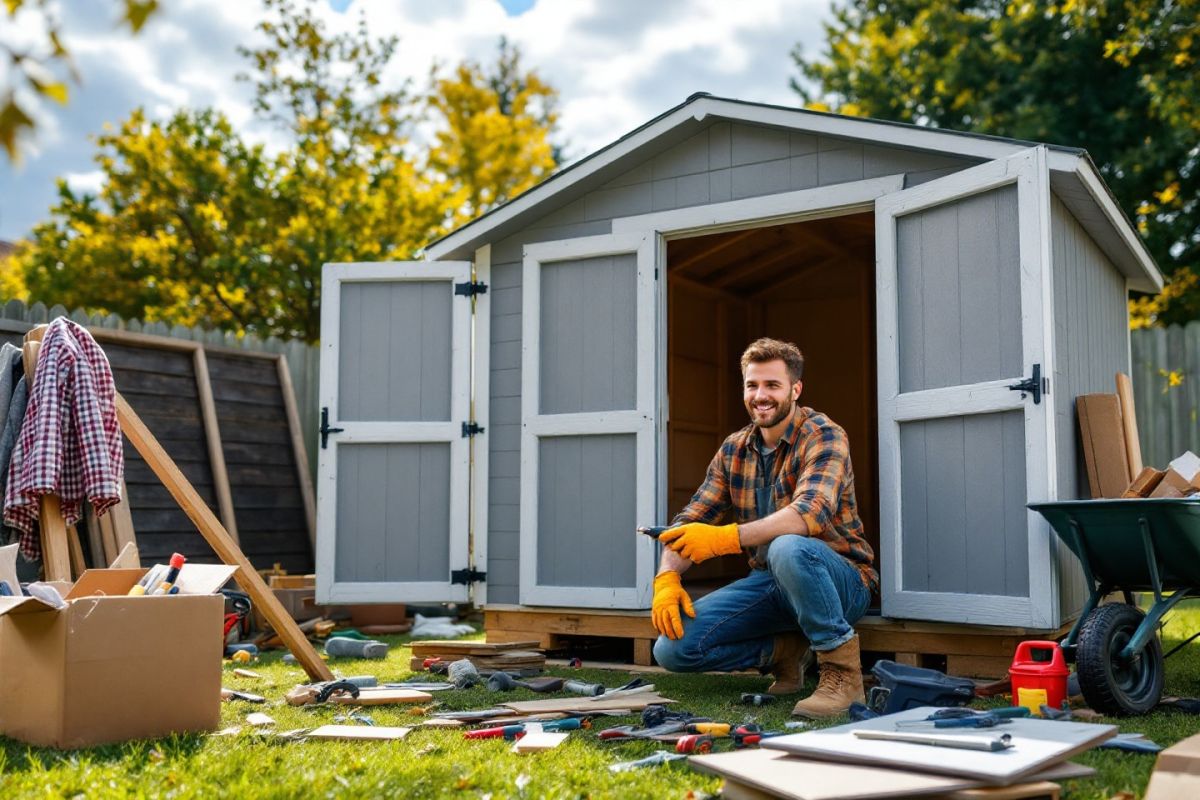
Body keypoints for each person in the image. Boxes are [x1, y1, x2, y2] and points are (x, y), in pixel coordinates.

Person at [651, 337, 878, 718]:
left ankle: (843, 676)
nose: (761, 395)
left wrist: (725, 538)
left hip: (843, 581)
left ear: (795, 389)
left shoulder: (823, 434)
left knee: (787, 546)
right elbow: (690, 521)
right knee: (671, 649)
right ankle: (785, 652)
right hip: (772, 585)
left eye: (772, 385)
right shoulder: (733, 449)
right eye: (752, 385)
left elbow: (809, 514)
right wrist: (667, 578)